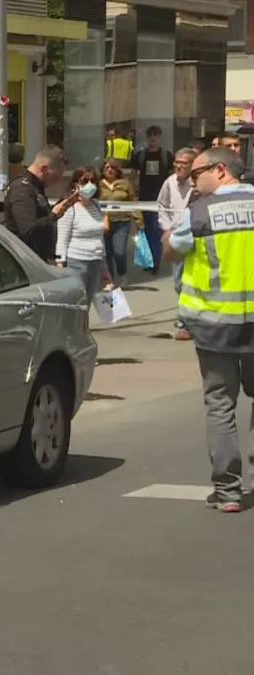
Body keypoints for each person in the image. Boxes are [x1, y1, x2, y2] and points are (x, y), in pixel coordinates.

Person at [163, 147, 254, 513]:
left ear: (220, 170)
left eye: (195, 174)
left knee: (220, 404)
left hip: (216, 326)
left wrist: (170, 236)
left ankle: (229, 492)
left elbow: (171, 251)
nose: (190, 182)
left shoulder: (199, 212)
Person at [3, 145, 73, 263]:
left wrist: (62, 204)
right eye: (56, 175)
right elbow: (27, 230)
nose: (57, 180)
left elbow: (40, 215)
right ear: (44, 168)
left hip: (37, 260)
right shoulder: (22, 189)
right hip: (24, 263)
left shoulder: (36, 187)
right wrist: (53, 215)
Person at [157, 147, 197, 341]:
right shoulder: (169, 183)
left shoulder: (198, 184)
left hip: (197, 237)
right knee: (179, 282)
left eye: (184, 163)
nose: (179, 166)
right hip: (177, 237)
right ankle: (186, 318)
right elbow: (162, 205)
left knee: (194, 280)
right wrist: (166, 229)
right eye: (177, 162)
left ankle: (186, 322)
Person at [55, 166, 106, 304]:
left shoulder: (96, 205)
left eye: (93, 181)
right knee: (77, 303)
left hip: (96, 261)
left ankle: (84, 326)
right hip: (77, 263)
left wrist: (105, 269)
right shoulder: (69, 208)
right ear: (75, 184)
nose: (90, 185)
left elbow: (100, 237)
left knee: (88, 301)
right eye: (84, 181)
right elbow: (62, 241)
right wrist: (60, 269)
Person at [129, 125, 173, 272]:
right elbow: (133, 176)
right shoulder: (140, 156)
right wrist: (132, 193)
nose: (153, 138)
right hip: (144, 198)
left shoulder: (166, 156)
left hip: (161, 200)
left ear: (159, 138)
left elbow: (172, 177)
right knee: (146, 230)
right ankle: (150, 260)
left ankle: (156, 261)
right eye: (150, 136)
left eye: (156, 135)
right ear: (147, 138)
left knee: (155, 230)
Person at [98, 158, 139, 289]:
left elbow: (134, 202)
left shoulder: (125, 184)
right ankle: (109, 280)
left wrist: (139, 222)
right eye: (106, 167)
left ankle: (122, 274)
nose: (109, 170)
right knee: (107, 254)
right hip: (103, 223)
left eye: (112, 168)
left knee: (119, 252)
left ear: (117, 170)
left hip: (122, 222)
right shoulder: (98, 185)